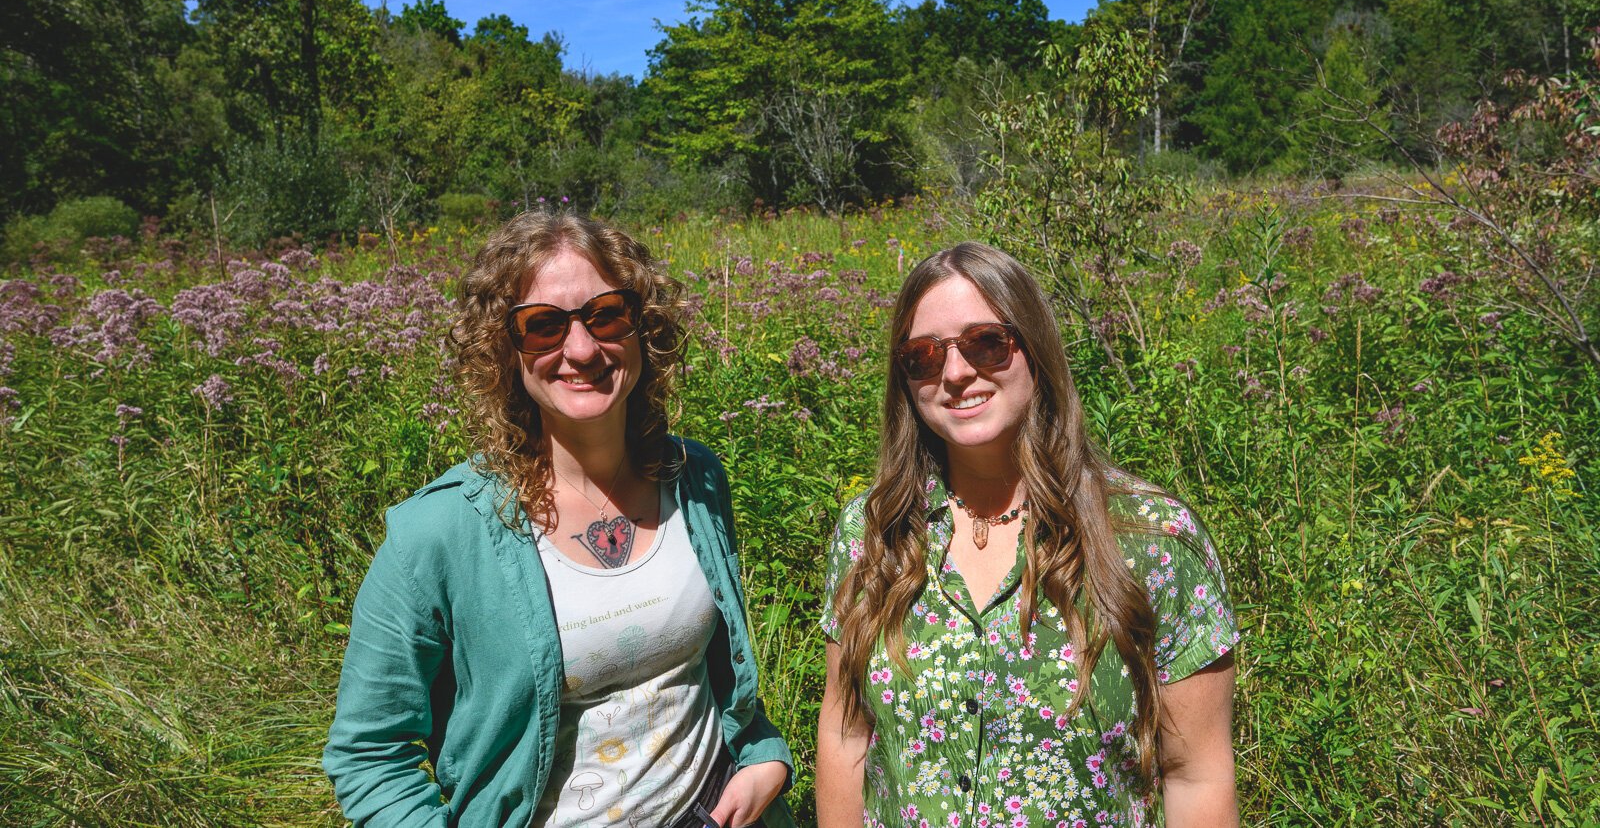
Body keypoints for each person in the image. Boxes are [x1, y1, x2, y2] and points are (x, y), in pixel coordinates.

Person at [324, 212, 794, 828]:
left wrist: (762, 756)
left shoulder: (695, 478)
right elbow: (369, 754)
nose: (580, 348)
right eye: (542, 326)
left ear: (642, 327)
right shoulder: (438, 533)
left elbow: (718, 674)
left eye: (606, 314)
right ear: (505, 349)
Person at [816, 242, 1239, 828]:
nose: (957, 373)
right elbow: (846, 738)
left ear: (1034, 347)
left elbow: (1196, 775)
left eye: (986, 343)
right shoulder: (873, 534)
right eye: (924, 355)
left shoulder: (1152, 540)